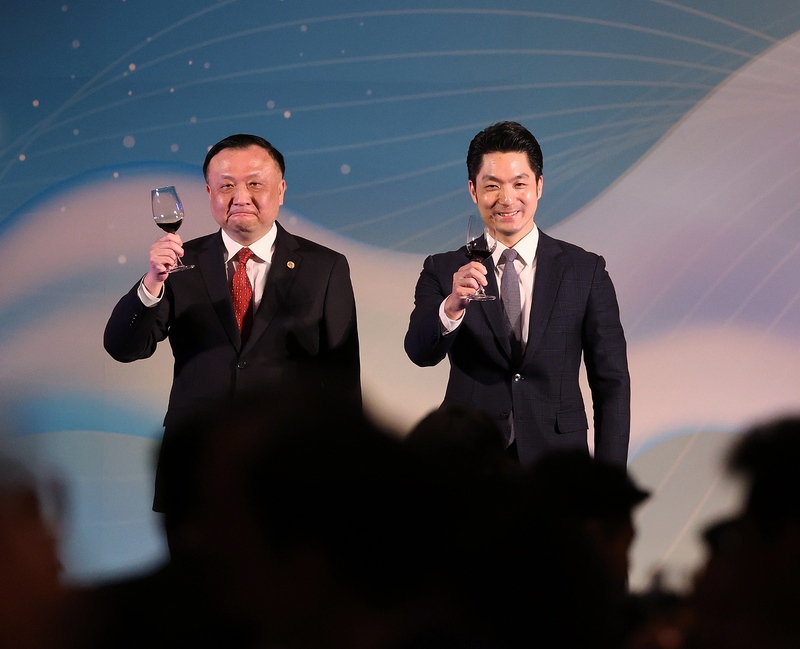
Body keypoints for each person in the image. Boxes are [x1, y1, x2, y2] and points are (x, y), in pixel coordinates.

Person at [104, 133, 360, 509]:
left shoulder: (325, 266)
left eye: (255, 183)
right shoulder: (178, 265)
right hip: (196, 468)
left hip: (289, 468)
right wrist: (151, 283)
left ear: (281, 189)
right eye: (226, 186)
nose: (241, 198)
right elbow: (123, 348)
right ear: (209, 193)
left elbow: (343, 379)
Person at [404, 121, 630, 467]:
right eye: (492, 186)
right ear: (473, 190)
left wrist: (608, 485)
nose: (506, 199)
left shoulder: (585, 271)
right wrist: (451, 308)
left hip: (558, 463)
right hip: (468, 461)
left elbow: (611, 382)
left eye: (519, 184)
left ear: (539, 185)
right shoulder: (442, 268)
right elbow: (420, 353)